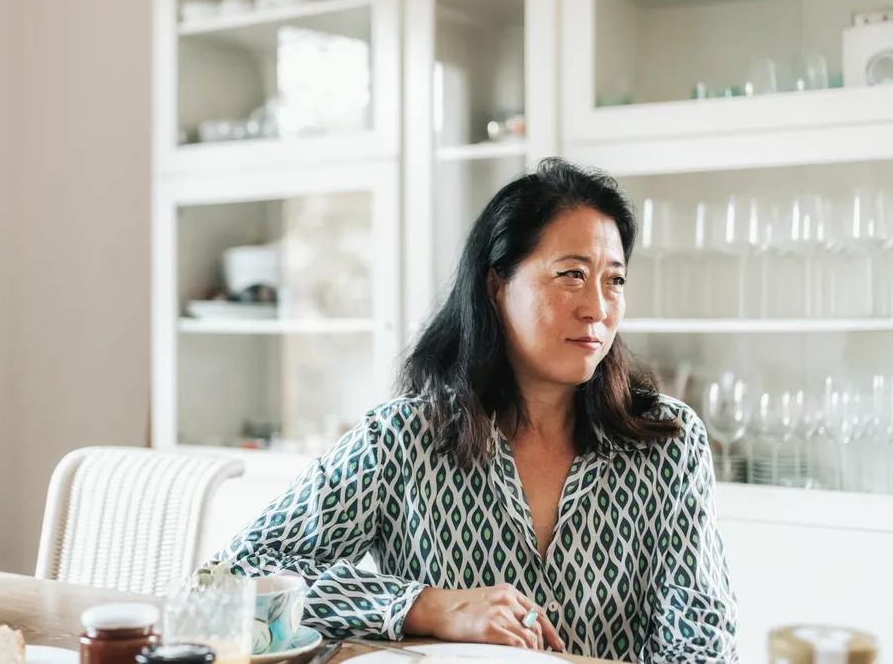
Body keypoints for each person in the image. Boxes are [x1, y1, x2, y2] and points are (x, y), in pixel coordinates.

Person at [206, 158, 738, 663]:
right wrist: (429, 605)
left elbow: (703, 646)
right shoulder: (404, 437)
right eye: (572, 274)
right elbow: (231, 576)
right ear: (496, 285)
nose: (598, 307)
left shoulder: (667, 441)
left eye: (614, 280)